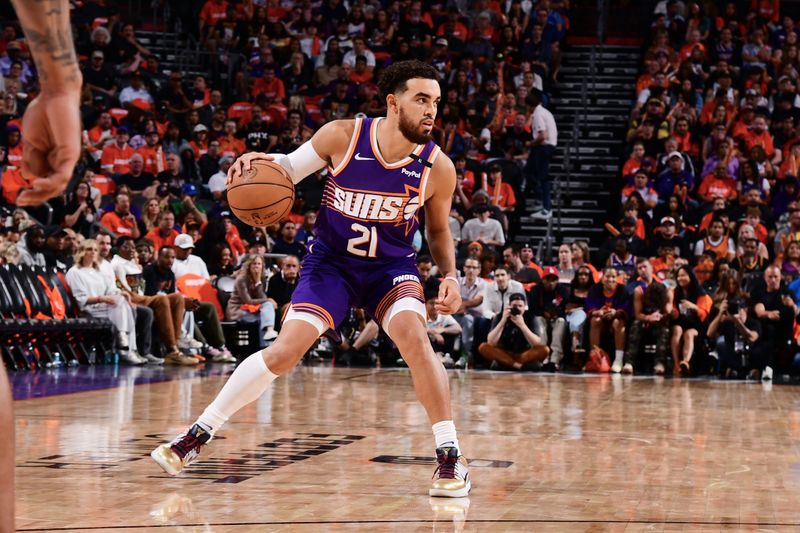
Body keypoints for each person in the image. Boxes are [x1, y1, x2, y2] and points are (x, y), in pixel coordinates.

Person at [151, 60, 470, 497]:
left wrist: (450, 274)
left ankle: (450, 456)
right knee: (285, 351)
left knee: (414, 337)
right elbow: (286, 169)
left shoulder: (438, 167)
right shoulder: (343, 136)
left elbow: (436, 231)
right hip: (331, 265)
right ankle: (196, 436)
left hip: (390, 268)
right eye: (421, 99)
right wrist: (254, 166)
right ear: (394, 103)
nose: (432, 110)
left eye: (436, 101)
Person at [66, 239, 144, 365]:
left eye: (95, 250)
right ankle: (126, 347)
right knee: (122, 307)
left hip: (106, 307)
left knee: (124, 303)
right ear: (81, 252)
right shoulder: (75, 272)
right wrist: (101, 298)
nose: (92, 252)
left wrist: (121, 293)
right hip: (89, 309)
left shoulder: (98, 271)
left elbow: (111, 289)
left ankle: (124, 342)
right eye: (89, 249)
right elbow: (80, 299)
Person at [478, 292, 549, 369]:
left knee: (544, 349)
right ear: (509, 306)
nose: (517, 308)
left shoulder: (531, 317)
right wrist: (503, 321)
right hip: (504, 353)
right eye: (515, 306)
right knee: (483, 347)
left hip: (524, 354)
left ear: (525, 307)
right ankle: (517, 365)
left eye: (520, 306)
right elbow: (491, 342)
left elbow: (537, 343)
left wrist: (522, 325)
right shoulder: (500, 316)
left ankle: (508, 364)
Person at [226, 255, 278, 345]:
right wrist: (268, 300)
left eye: (259, 264)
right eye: (254, 264)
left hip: (253, 309)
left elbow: (261, 297)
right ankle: (265, 347)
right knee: (265, 314)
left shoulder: (262, 279)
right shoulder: (241, 279)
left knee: (267, 308)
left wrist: (258, 282)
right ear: (249, 266)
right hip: (238, 310)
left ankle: (270, 331)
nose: (257, 266)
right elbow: (248, 301)